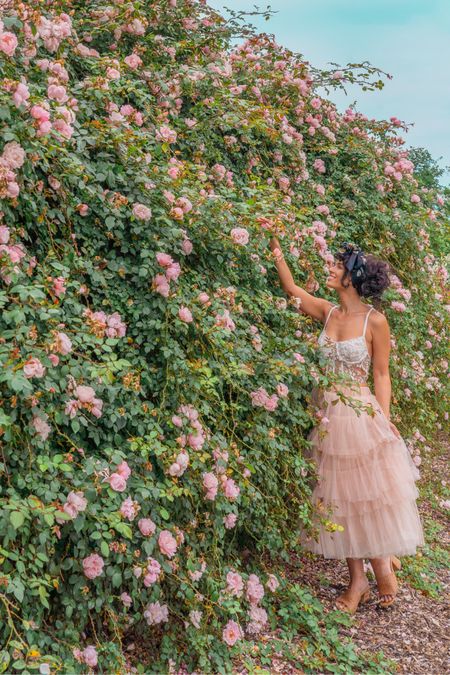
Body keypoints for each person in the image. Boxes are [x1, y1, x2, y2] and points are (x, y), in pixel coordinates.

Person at [269, 235, 425, 613]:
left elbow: (382, 374)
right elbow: (291, 288)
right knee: (338, 502)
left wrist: (384, 422)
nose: (331, 268)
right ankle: (362, 580)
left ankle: (379, 566)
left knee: (367, 499)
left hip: (360, 416)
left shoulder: (376, 321)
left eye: (338, 266)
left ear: (351, 279)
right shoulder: (327, 312)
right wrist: (275, 248)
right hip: (327, 415)